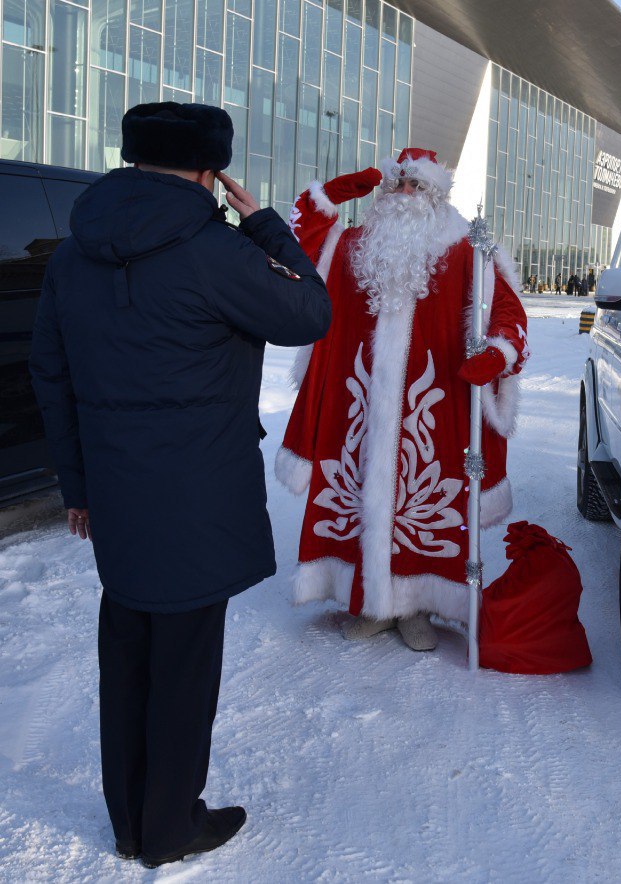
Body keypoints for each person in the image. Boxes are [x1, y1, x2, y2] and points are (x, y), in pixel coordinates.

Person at [27, 102, 331, 867]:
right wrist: (263, 224)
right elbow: (311, 311)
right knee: (185, 669)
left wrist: (77, 486)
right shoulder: (215, 251)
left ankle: (129, 820)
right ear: (210, 171)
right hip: (198, 496)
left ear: (130, 159)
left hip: (118, 494)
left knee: (127, 656)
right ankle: (167, 829)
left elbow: (51, 374)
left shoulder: (74, 251)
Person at [276, 149, 529, 652]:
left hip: (434, 405)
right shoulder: (352, 246)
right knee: (358, 489)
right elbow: (296, 247)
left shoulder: (465, 249)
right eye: (398, 187)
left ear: (435, 196)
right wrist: (330, 196)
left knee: (425, 498)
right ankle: (372, 601)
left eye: (417, 188)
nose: (405, 195)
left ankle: (415, 604)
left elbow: (507, 308)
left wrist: (496, 352)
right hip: (359, 402)